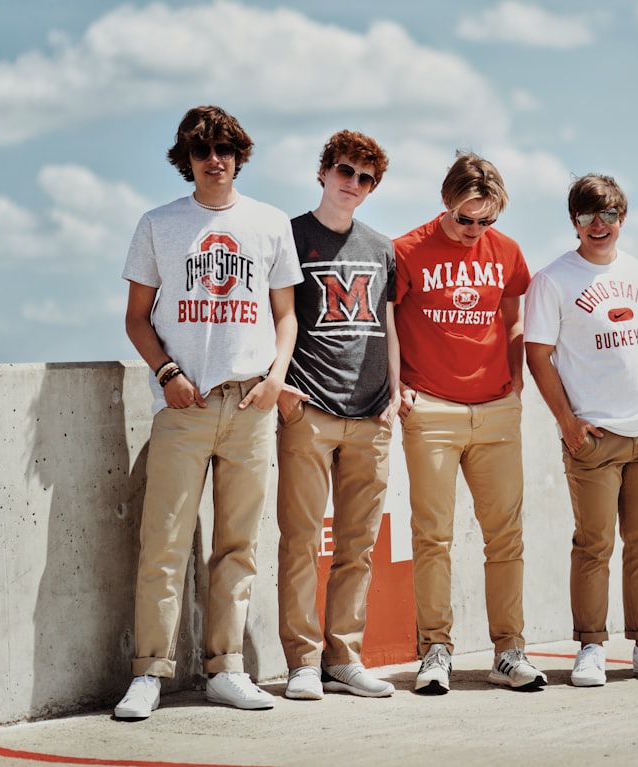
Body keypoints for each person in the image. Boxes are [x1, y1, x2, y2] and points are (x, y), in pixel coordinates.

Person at [115, 105, 303, 719]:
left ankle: (227, 669)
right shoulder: (158, 224)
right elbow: (137, 318)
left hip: (251, 403)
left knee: (237, 544)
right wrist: (167, 373)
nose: (214, 159)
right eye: (202, 151)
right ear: (187, 160)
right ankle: (150, 673)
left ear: (239, 155)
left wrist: (276, 378)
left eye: (224, 149)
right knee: (163, 543)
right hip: (185, 403)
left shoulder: (270, 223)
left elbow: (285, 315)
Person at [524, 173, 638, 687]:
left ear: (623, 218)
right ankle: (591, 648)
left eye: (609, 215)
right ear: (574, 222)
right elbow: (537, 355)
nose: (599, 225)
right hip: (593, 438)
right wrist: (568, 422)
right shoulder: (552, 280)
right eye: (588, 216)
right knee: (594, 545)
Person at [393, 151, 546, 694]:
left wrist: (514, 380)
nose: (474, 230)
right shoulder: (406, 250)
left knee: (505, 537)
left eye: (486, 221)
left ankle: (509, 651)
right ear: (445, 202)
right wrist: (398, 385)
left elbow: (512, 316)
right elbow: (387, 321)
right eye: (465, 219)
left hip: (497, 410)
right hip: (430, 409)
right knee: (432, 536)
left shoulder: (505, 252)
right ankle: (436, 650)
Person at [276, 130, 399, 700]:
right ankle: (302, 661)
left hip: (371, 413)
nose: (353, 184)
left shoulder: (381, 246)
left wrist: (395, 396)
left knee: (358, 545)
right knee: (300, 540)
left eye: (365, 178)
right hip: (309, 408)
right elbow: (270, 317)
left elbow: (389, 326)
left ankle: (343, 657)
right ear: (323, 171)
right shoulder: (288, 235)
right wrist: (279, 388)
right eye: (345, 171)